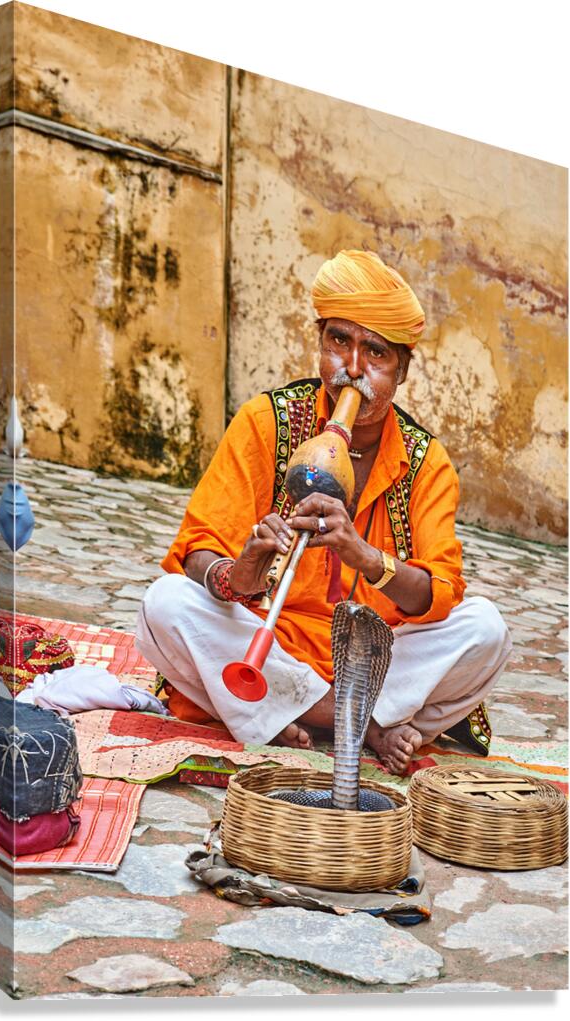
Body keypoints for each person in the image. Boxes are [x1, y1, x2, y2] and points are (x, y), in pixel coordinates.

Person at [136, 250, 511, 774]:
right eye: (339, 341)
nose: (352, 368)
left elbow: (438, 593)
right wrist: (235, 573)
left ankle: (282, 715)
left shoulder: (427, 462)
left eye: (375, 353)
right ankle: (366, 728)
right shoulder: (266, 422)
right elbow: (197, 547)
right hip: (273, 648)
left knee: (487, 630)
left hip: (375, 657)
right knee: (164, 605)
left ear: (401, 369)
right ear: (320, 343)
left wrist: (364, 556)